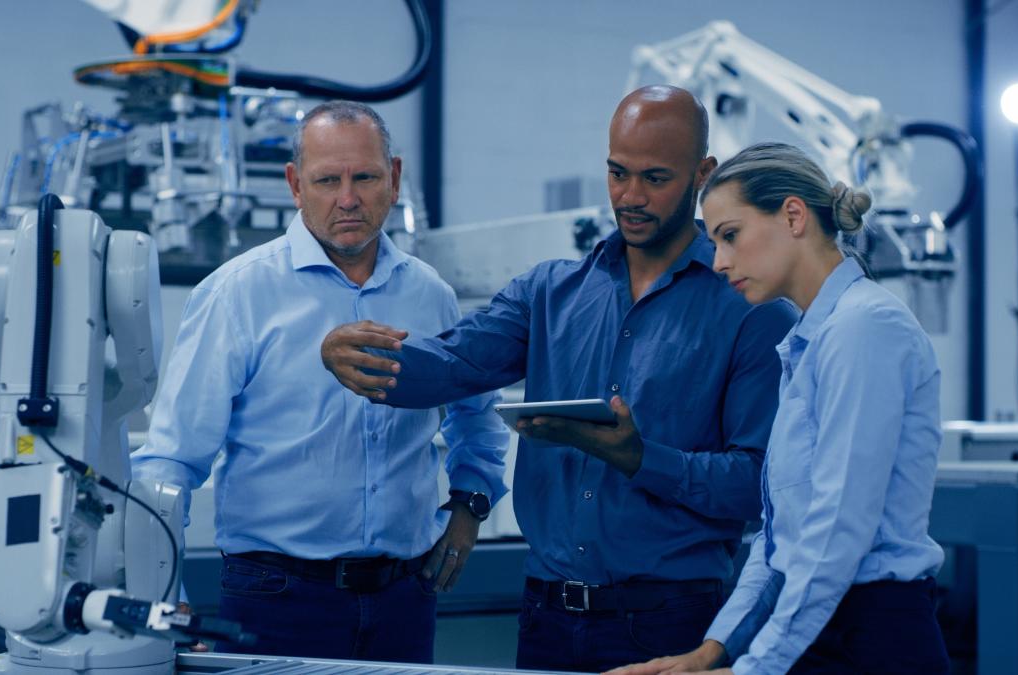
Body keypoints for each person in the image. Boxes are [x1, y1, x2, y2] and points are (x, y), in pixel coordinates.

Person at [320, 86, 799, 673]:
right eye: (617, 173)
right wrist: (360, 356)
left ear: (703, 174)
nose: (631, 197)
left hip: (670, 624)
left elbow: (760, 485)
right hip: (546, 617)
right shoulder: (549, 292)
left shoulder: (751, 309)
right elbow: (453, 364)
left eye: (655, 178)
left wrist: (639, 457)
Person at [131, 100, 508, 664]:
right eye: (327, 180)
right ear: (295, 185)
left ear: (395, 178)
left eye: (365, 177)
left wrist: (470, 504)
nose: (348, 199)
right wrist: (167, 605)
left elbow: (477, 416)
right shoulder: (237, 294)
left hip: (406, 595)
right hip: (277, 599)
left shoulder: (431, 296)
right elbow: (169, 464)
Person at [606, 142, 950, 675]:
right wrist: (711, 652)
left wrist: (755, 669)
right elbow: (778, 537)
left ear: (793, 216)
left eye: (730, 235)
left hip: (872, 635)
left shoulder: (864, 328)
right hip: (819, 623)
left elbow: (837, 530)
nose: (718, 262)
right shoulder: (807, 343)